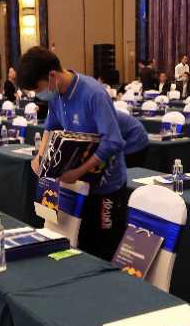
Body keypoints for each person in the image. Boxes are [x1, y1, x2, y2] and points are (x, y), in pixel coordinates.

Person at [17, 46, 127, 261]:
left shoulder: (93, 93)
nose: (39, 95)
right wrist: (40, 156)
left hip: (106, 186)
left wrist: (78, 172)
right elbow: (51, 125)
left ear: (52, 76)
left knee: (104, 250)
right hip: (81, 184)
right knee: (83, 244)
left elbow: (113, 142)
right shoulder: (56, 95)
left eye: (38, 89)